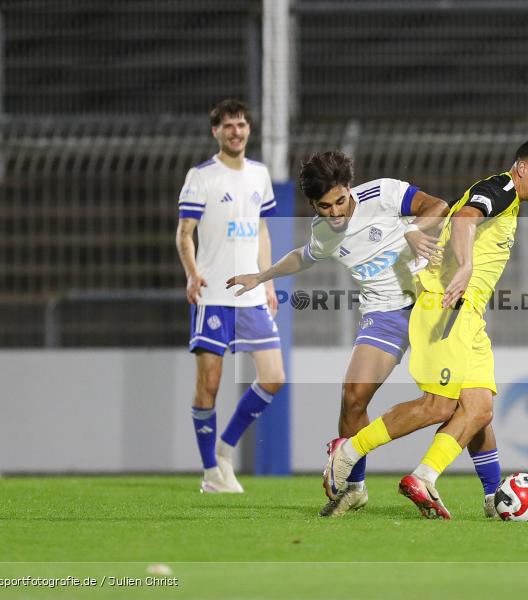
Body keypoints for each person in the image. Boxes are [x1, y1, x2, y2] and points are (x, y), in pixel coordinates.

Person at [227, 150, 503, 517]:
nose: (336, 212)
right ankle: (354, 488)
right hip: (385, 314)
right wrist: (261, 276)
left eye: (341, 201)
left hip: (431, 302)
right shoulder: (324, 231)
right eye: (325, 206)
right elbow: (304, 255)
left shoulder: (384, 194)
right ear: (313, 204)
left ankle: (493, 493)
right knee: (353, 395)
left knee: (468, 403)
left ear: (350, 188)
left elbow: (437, 205)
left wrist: (412, 230)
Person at [322, 139, 528, 519]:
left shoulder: (510, 202)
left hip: (471, 315)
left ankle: (425, 476)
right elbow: (465, 217)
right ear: (522, 168)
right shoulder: (501, 188)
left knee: (479, 407)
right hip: (446, 305)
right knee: (439, 405)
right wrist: (465, 266)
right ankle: (348, 452)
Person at [175, 99, 285, 493]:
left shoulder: (259, 174)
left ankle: (225, 449)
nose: (236, 132)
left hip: (252, 296)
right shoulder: (201, 176)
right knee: (210, 384)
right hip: (214, 295)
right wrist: (192, 275)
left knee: (273, 377)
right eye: (228, 126)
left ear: (248, 130)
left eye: (241, 125)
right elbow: (185, 232)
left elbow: (262, 232)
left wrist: (268, 281)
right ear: (216, 132)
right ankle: (210, 474)